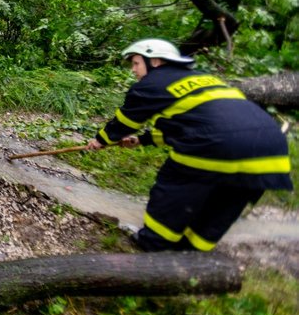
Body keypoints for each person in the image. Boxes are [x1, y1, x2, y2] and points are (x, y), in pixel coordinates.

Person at [88, 38, 293, 252]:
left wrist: (100, 140)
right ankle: (192, 252)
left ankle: (152, 242)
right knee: (225, 200)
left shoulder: (150, 85)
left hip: (218, 144)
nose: (133, 70)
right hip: (272, 151)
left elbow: (124, 122)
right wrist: (143, 139)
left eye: (136, 63)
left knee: (175, 183)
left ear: (155, 61)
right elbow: (192, 126)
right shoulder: (206, 79)